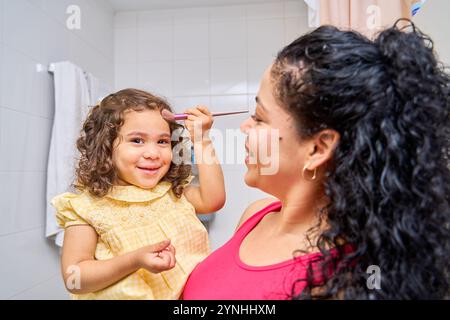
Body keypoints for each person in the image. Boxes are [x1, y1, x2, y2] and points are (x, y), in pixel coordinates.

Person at [183, 20, 450, 299]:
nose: (244, 128)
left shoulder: (347, 280)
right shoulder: (255, 216)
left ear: (317, 149)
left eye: (260, 118)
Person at [51, 88, 225, 299]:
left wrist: (202, 139)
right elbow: (74, 279)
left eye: (162, 141)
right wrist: (134, 260)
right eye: (137, 141)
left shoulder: (171, 191)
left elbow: (214, 199)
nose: (153, 154)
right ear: (105, 147)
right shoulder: (87, 208)